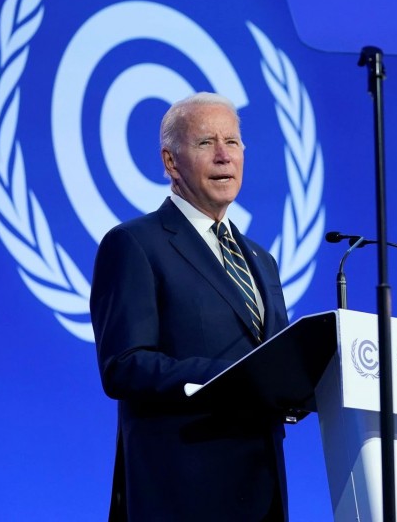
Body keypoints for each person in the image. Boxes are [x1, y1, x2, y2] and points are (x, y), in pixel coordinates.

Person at [90, 92, 290, 521]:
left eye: (232, 143)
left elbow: (277, 361)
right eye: (205, 143)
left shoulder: (261, 259)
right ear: (170, 162)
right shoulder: (135, 244)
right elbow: (124, 365)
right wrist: (230, 377)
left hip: (261, 492)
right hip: (181, 491)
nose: (224, 156)